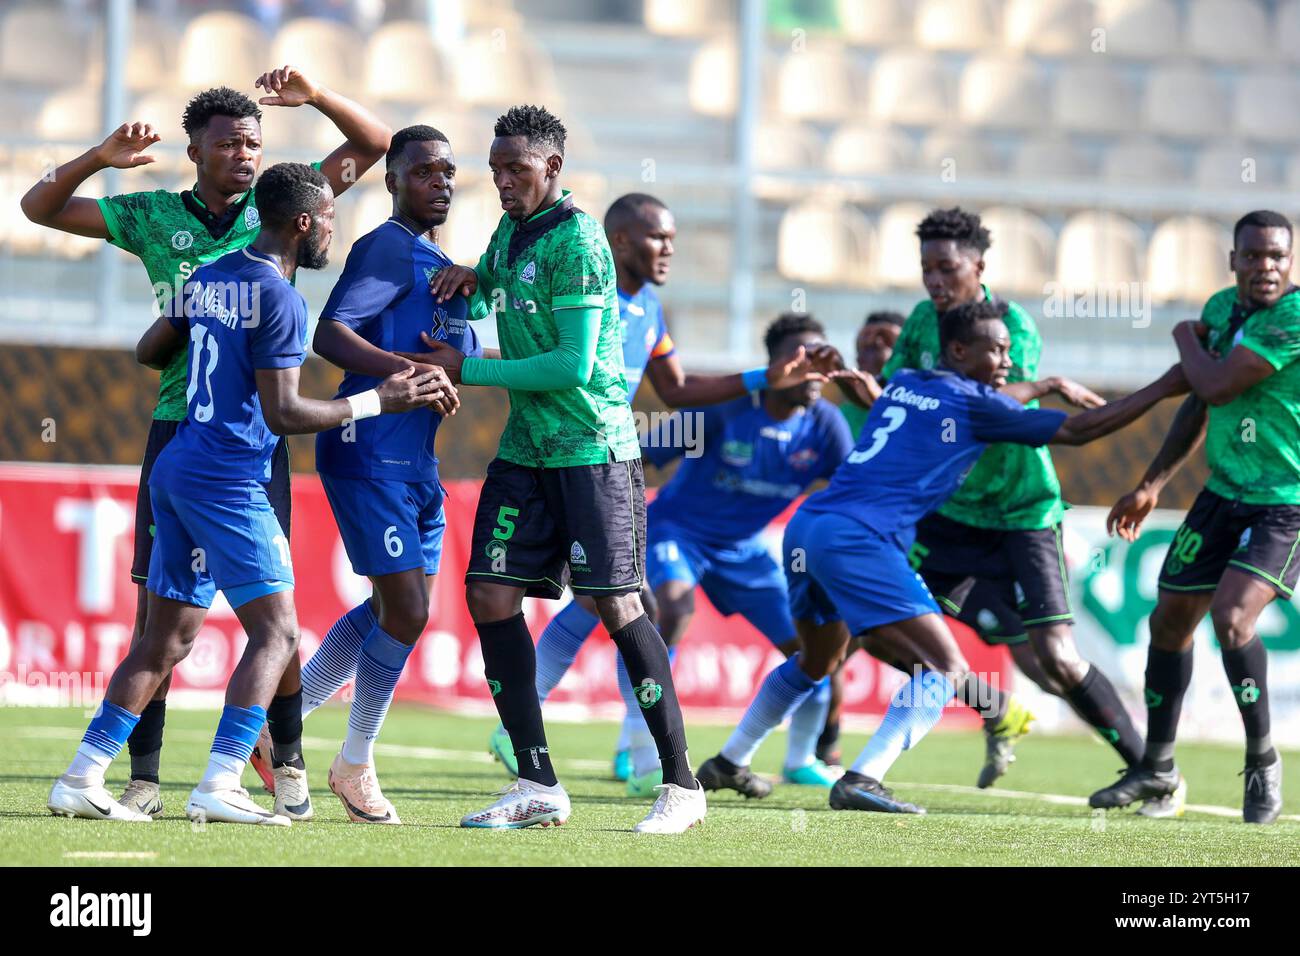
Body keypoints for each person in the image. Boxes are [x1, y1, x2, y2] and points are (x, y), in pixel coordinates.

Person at [20, 70, 391, 818]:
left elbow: (375, 145)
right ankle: (175, 779)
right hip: (214, 440)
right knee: (266, 625)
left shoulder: (264, 219)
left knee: (200, 624)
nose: (246, 155)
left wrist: (316, 96)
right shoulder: (169, 221)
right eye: (230, 144)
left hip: (208, 445)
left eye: (255, 142)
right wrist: (97, 155)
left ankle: (276, 763)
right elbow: (38, 207)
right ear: (194, 151)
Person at [697, 299, 1188, 813]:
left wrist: (1042, 387)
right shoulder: (977, 407)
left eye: (1008, 349)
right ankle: (863, 776)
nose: (1007, 359)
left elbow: (988, 398)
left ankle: (730, 761)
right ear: (958, 349)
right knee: (945, 668)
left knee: (815, 661)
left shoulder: (908, 382)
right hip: (860, 539)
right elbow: (1077, 430)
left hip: (809, 527)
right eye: (996, 350)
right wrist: (1165, 386)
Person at [418, 105, 706, 833]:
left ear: (553, 167)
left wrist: (467, 365)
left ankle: (681, 785)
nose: (504, 181)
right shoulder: (514, 231)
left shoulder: (578, 242)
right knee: (487, 593)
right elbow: (497, 288)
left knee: (619, 606)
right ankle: (536, 781)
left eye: (517, 169)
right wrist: (466, 280)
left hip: (591, 450)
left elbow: (571, 365)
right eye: (496, 170)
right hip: (527, 451)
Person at [488, 193, 824, 785]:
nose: (669, 248)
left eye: (672, 237)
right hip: (560, 459)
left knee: (609, 602)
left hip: (603, 463)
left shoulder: (648, 306)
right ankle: (637, 758)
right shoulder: (585, 292)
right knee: (634, 605)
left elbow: (676, 390)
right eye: (657, 238)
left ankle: (624, 753)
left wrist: (759, 380)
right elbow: (540, 357)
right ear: (620, 242)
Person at [868, 207, 1145, 793]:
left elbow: (999, 405)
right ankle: (989, 707)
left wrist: (1040, 388)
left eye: (946, 269)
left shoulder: (1009, 323)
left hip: (1021, 510)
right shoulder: (921, 322)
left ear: (978, 266)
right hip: (949, 515)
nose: (935, 282)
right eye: (926, 270)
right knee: (878, 627)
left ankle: (1150, 768)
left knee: (1055, 661)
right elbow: (898, 389)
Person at [283, 125, 481, 824]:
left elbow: (458, 357)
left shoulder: (445, 268)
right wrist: (409, 371)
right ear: (393, 177)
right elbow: (330, 332)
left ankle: (289, 726)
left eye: (449, 171)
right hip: (368, 450)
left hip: (416, 464)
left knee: (387, 611)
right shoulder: (385, 248)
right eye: (425, 170)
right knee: (407, 611)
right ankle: (352, 763)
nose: (441, 181)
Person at [1090, 210, 1300, 825]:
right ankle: (1157, 768)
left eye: (1277, 257)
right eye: (1254, 256)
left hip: (1283, 499)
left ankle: (1262, 759)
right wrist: (1151, 483)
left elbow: (1216, 385)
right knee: (1169, 620)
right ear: (1233, 260)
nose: (1266, 267)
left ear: (1290, 263)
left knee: (1232, 619)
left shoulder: (1292, 316)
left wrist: (1183, 336)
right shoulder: (1221, 309)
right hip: (1221, 491)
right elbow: (1197, 406)